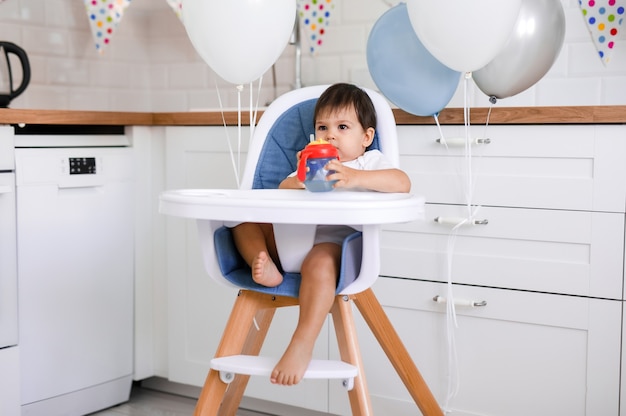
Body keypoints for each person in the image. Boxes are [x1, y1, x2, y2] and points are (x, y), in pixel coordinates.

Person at [231, 83, 411, 386]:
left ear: (366, 137)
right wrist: (300, 178)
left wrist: (355, 177)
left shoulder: (367, 162)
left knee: (319, 260)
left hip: (333, 247)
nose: (331, 135)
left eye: (343, 126)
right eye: (323, 127)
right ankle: (261, 261)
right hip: (288, 244)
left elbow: (402, 182)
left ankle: (302, 341)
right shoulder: (310, 165)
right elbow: (281, 190)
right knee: (240, 220)